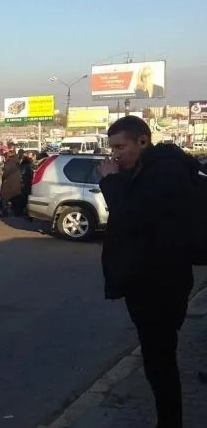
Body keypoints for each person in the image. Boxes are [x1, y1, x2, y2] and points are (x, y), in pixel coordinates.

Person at [100, 116, 199, 428]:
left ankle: (170, 423)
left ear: (142, 141)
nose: (115, 154)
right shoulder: (150, 169)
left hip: (160, 284)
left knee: (160, 361)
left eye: (120, 146)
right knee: (157, 358)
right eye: (112, 147)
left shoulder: (165, 172)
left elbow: (132, 218)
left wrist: (111, 181)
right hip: (151, 281)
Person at [0, 149, 22, 218]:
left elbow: (6, 172)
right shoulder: (18, 160)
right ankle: (17, 212)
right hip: (17, 181)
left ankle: (5, 212)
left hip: (9, 182)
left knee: (4, 196)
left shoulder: (9, 162)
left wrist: (3, 178)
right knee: (16, 197)